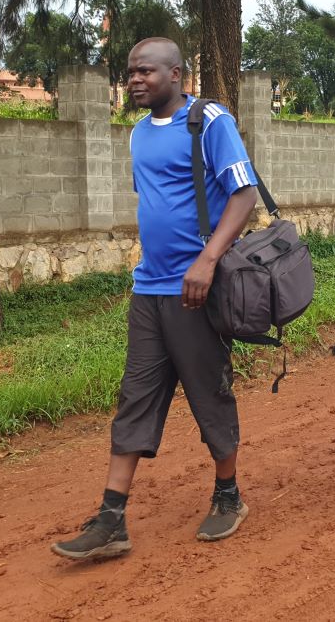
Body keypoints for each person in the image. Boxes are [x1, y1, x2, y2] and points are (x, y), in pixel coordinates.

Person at [51, 38, 259, 560]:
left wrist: (207, 260)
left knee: (209, 394)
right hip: (149, 289)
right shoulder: (139, 134)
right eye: (130, 73)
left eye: (145, 71)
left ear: (176, 74)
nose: (135, 80)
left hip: (197, 292)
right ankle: (112, 519)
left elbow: (245, 194)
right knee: (135, 397)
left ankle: (228, 496)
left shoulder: (209, 123)